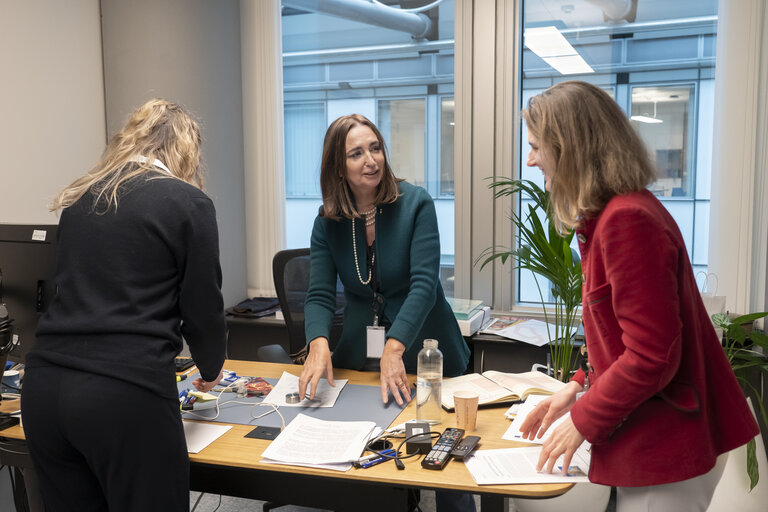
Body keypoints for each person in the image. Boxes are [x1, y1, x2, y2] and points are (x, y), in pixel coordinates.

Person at [518, 81, 759, 511]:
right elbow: (623, 339)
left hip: (667, 441)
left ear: (569, 148)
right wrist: (577, 388)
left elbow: (652, 356)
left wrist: (583, 421)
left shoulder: (626, 219)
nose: (531, 159)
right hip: (655, 431)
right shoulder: (612, 214)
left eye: (537, 147)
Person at [21, 99, 226, 512]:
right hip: (123, 397)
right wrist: (211, 367)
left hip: (44, 392)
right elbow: (203, 307)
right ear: (185, 149)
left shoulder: (81, 200)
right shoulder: (188, 202)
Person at [298, 113, 474, 511]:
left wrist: (395, 348)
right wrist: (318, 342)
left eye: (375, 148)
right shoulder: (327, 221)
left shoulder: (415, 203)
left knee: (447, 464)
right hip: (363, 355)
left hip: (428, 352)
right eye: (356, 153)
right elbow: (320, 294)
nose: (371, 160)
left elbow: (425, 285)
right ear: (337, 167)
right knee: (368, 454)